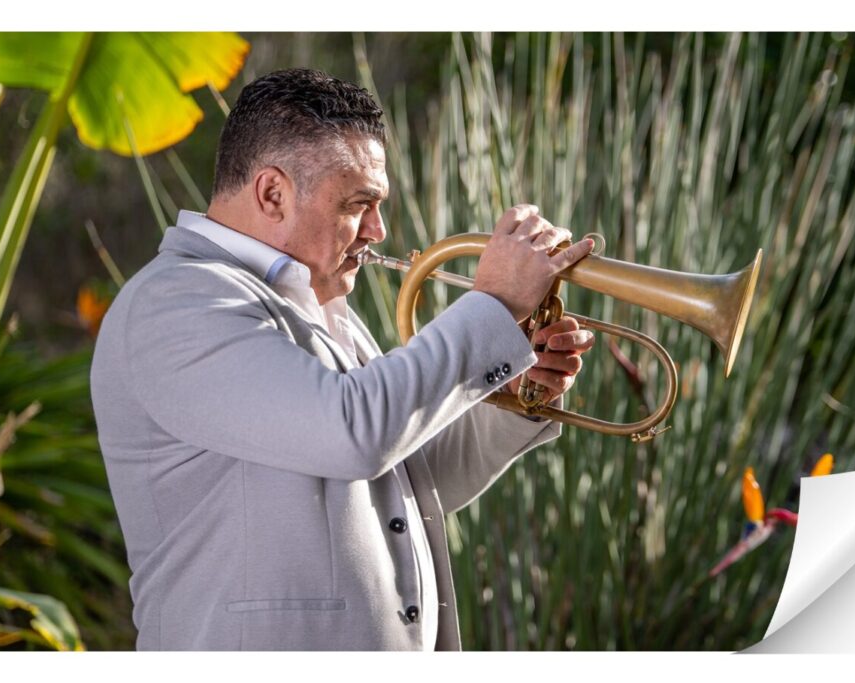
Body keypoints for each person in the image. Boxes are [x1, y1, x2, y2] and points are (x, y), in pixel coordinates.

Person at [90, 67, 595, 651]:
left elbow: (408, 482)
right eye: (359, 204)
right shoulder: (176, 301)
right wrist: (495, 305)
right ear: (273, 193)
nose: (378, 231)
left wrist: (515, 396)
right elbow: (356, 431)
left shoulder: (319, 306)